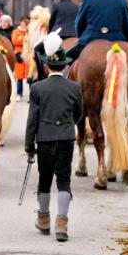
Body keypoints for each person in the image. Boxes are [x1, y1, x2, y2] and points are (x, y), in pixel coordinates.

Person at [25, 46, 84, 242]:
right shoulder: (74, 88)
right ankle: (62, 224)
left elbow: (32, 119)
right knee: (64, 180)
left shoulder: (37, 88)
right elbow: (79, 114)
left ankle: (43, 219)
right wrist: (67, 126)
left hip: (45, 139)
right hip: (66, 137)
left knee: (45, 179)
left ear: (46, 67)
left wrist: (29, 145)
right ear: (65, 66)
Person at [62, 0, 128, 73]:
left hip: (91, 39)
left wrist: (83, 37)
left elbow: (79, 24)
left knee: (64, 62)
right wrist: (123, 40)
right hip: (117, 40)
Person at [11, 16, 30, 100]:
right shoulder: (16, 31)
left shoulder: (30, 31)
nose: (24, 24)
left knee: (30, 75)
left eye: (26, 22)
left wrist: (22, 39)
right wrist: (24, 40)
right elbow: (15, 41)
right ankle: (19, 93)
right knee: (19, 76)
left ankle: (31, 94)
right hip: (19, 54)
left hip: (28, 54)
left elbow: (30, 41)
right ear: (21, 22)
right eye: (23, 22)